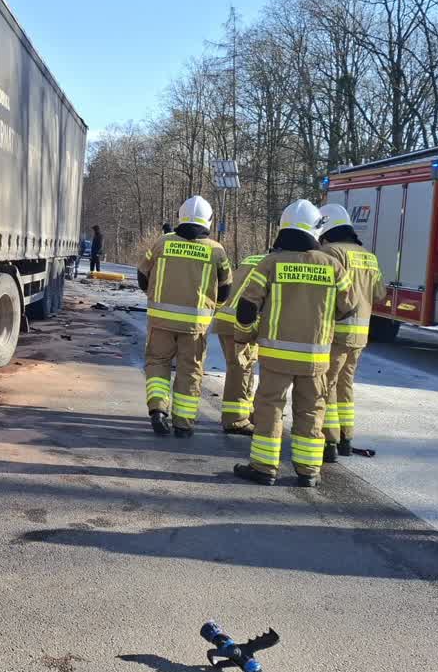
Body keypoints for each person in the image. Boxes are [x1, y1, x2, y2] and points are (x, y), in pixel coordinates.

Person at [232, 199, 355, 488]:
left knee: (270, 408)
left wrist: (244, 334)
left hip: (276, 356)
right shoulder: (332, 266)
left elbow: (247, 307)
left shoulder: (270, 263)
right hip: (315, 358)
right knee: (311, 410)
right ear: (315, 229)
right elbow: (348, 306)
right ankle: (309, 471)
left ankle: (264, 467)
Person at [137, 197, 232, 438]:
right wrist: (214, 307)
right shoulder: (216, 250)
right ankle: (183, 423)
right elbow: (226, 287)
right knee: (190, 372)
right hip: (195, 326)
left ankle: (158, 408)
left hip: (160, 322)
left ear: (181, 216)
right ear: (209, 220)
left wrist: (154, 294)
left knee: (158, 364)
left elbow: (142, 274)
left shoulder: (163, 243)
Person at [317, 203, 387, 460]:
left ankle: (330, 441)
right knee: (345, 385)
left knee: (326, 384)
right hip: (360, 334)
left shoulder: (331, 252)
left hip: (335, 332)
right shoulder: (368, 255)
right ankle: (347, 437)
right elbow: (379, 293)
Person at [210, 249, 267, 434]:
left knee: (244, 367)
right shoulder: (277, 264)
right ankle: (235, 420)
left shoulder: (252, 257)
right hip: (242, 321)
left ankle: (244, 413)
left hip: (227, 316)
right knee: (240, 369)